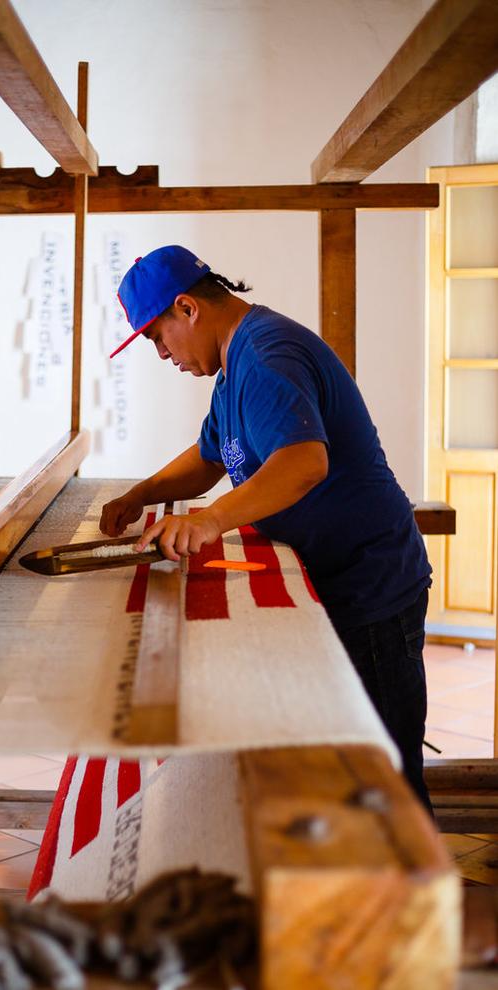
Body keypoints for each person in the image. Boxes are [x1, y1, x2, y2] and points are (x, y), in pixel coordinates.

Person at [100, 244, 433, 810]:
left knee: (384, 786)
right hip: (331, 583)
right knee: (340, 773)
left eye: (157, 336)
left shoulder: (267, 356)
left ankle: (409, 868)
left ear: (187, 308)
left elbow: (303, 463)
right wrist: (143, 493)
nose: (161, 353)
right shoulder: (234, 369)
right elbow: (210, 456)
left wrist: (210, 521)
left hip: (368, 590)